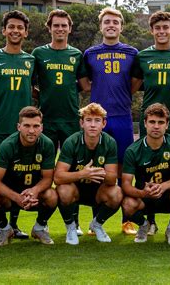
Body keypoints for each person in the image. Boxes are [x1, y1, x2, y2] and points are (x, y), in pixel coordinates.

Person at [132, 11, 170, 235]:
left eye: (166, 27)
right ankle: (150, 219)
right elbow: (135, 84)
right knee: (146, 167)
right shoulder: (143, 56)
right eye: (158, 28)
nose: (162, 31)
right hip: (148, 115)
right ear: (152, 31)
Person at [82, 7, 139, 235]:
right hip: (98, 119)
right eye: (107, 21)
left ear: (121, 26)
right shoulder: (90, 53)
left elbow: (135, 83)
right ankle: (97, 221)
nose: (111, 25)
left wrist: (122, 96)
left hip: (123, 117)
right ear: (101, 26)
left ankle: (127, 220)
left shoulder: (132, 53)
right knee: (97, 169)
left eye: (115, 21)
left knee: (125, 169)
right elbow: (85, 84)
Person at [32, 9, 87, 236]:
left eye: (64, 25)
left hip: (70, 120)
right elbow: (30, 83)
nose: (60, 29)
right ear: (49, 28)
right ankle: (40, 221)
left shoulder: (76, 54)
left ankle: (73, 222)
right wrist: (43, 96)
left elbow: (84, 85)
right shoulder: (38, 53)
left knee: (72, 171)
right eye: (56, 25)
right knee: (39, 169)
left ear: (70, 28)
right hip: (46, 120)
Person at [0, 10, 35, 240]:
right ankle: (1, 225)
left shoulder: (31, 60)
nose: (15, 31)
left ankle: (13, 224)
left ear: (26, 32)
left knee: (19, 176)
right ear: (4, 30)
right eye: (11, 27)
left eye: (20, 27)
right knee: (0, 178)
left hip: (24, 129)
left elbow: (36, 88)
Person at [0, 106, 58, 246]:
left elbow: (48, 178)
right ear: (19, 126)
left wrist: (34, 191)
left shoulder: (47, 144)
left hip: (34, 196)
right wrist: (17, 197)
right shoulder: (7, 145)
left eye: (36, 126)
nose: (31, 130)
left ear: (41, 127)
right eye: (27, 126)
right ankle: (5, 228)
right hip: (10, 196)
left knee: (52, 195)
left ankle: (39, 228)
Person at [121, 103, 170, 246]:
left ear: (167, 125)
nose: (156, 126)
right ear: (145, 123)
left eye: (161, 122)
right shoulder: (133, 150)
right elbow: (126, 185)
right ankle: (144, 225)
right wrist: (143, 193)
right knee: (127, 203)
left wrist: (163, 187)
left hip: (168, 195)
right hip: (145, 197)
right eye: (152, 122)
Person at [54, 103, 122, 245]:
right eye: (88, 120)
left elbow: (112, 179)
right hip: (76, 190)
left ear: (104, 124)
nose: (92, 125)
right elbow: (58, 177)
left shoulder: (110, 143)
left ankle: (96, 224)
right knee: (63, 190)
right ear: (81, 123)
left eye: (97, 121)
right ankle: (71, 227)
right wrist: (82, 174)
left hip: (98, 191)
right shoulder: (72, 141)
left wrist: (98, 173)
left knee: (116, 193)